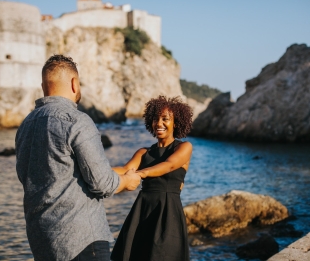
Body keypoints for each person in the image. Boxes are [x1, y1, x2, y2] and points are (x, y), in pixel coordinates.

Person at [15, 55, 141, 261]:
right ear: (74, 83)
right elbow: (103, 184)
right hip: (81, 240)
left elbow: (35, 177)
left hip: (42, 241)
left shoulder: (25, 125)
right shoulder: (77, 121)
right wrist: (127, 181)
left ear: (43, 86)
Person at [110, 96, 193, 261]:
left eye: (165, 119)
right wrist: (95, 169)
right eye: (156, 119)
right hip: (142, 210)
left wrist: (141, 174)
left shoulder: (184, 147)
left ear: (175, 123)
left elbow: (168, 165)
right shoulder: (143, 152)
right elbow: (125, 169)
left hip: (168, 213)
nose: (159, 123)